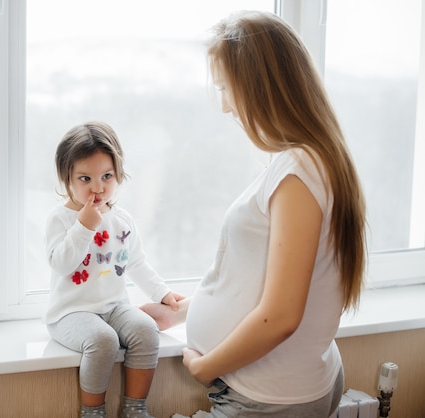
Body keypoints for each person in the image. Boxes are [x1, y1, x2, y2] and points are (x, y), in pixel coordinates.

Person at [140, 10, 367, 418]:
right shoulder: (305, 162)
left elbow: (281, 315)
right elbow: (261, 277)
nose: (226, 106)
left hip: (268, 397)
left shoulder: (300, 171)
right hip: (279, 387)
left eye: (227, 88)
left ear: (261, 88)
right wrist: (181, 311)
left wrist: (207, 367)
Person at [45, 120, 184, 418]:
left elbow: (136, 262)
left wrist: (163, 293)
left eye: (107, 176)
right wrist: (83, 227)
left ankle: (135, 409)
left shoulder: (122, 220)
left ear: (118, 173)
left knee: (147, 330)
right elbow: (60, 264)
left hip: (113, 307)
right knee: (103, 340)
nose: (98, 187)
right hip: (70, 313)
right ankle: (92, 413)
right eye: (85, 179)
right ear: (66, 177)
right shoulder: (61, 219)